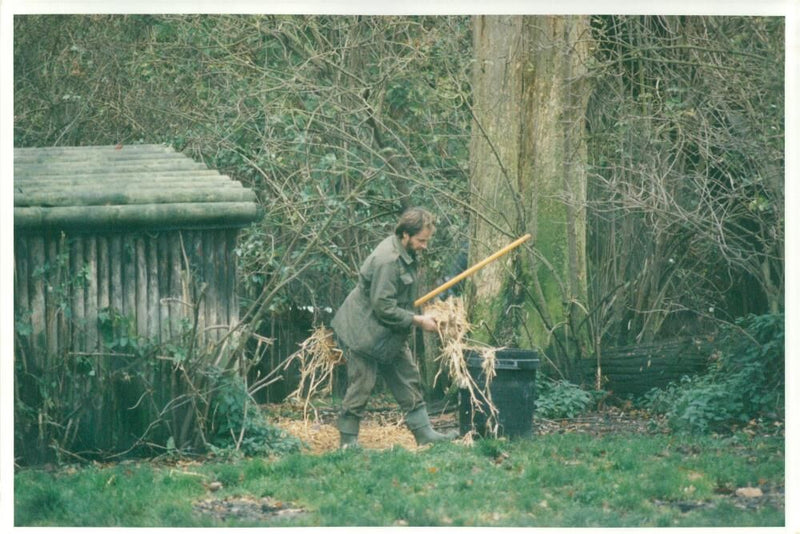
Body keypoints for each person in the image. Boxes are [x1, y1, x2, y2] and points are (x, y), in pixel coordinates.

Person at [331, 207, 459, 448]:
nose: (424, 246)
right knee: (362, 385)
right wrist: (419, 321)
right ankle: (348, 441)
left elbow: (399, 299)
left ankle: (425, 434)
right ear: (405, 235)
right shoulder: (388, 261)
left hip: (389, 332)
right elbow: (384, 307)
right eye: (421, 240)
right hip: (364, 332)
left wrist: (425, 313)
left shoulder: (404, 254)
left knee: (408, 378)